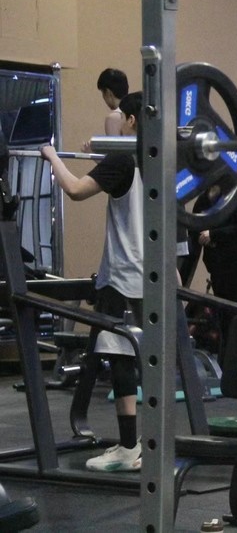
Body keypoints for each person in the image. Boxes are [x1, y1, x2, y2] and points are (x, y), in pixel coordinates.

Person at [41, 91, 144, 472]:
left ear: (132, 120)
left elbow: (75, 190)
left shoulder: (122, 161)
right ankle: (144, 444)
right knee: (144, 358)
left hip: (122, 276)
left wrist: (52, 156)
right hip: (154, 274)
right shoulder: (161, 161)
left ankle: (130, 447)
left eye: (119, 117)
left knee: (121, 358)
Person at [189, 174, 237, 354]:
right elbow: (194, 226)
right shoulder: (203, 200)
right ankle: (225, 356)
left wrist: (213, 235)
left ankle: (235, 355)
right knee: (222, 316)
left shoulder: (234, 196)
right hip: (217, 265)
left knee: (235, 314)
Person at [96, 68, 129, 136]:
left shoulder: (114, 118)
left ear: (108, 93)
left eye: (103, 93)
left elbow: (115, 143)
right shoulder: (136, 111)